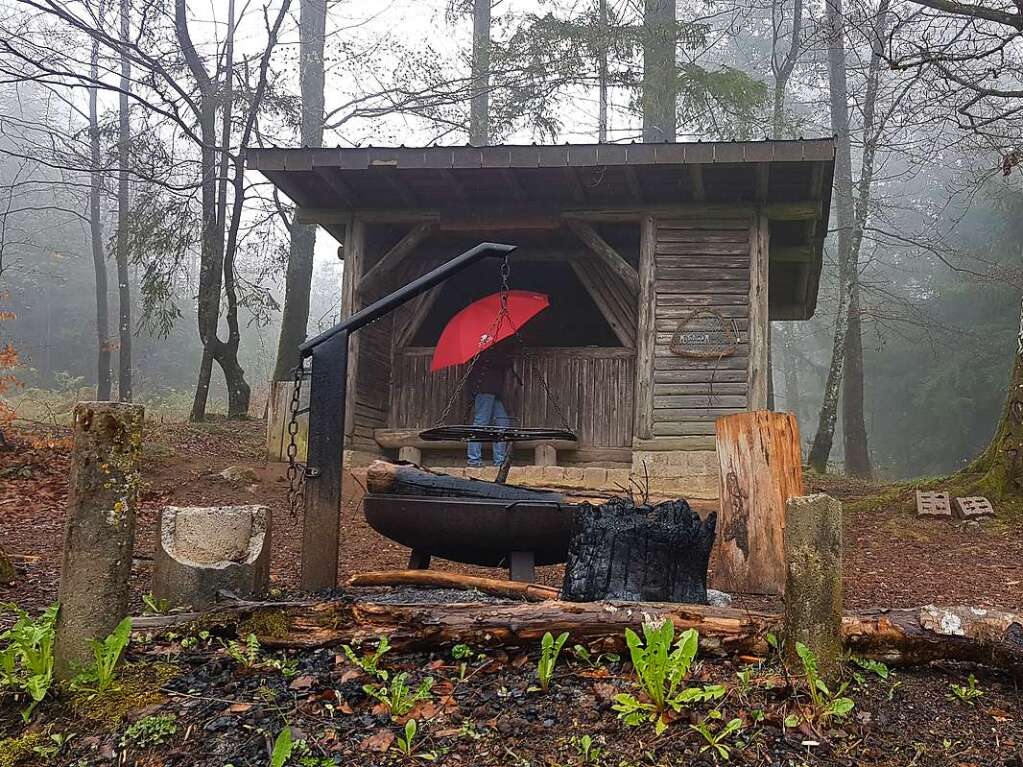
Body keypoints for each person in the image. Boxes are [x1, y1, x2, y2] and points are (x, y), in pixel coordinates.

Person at [465, 341, 515, 467]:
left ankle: (499, 461)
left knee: (502, 423)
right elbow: (500, 361)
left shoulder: (490, 349)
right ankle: (474, 460)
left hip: (493, 390)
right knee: (481, 422)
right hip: (484, 389)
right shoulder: (481, 349)